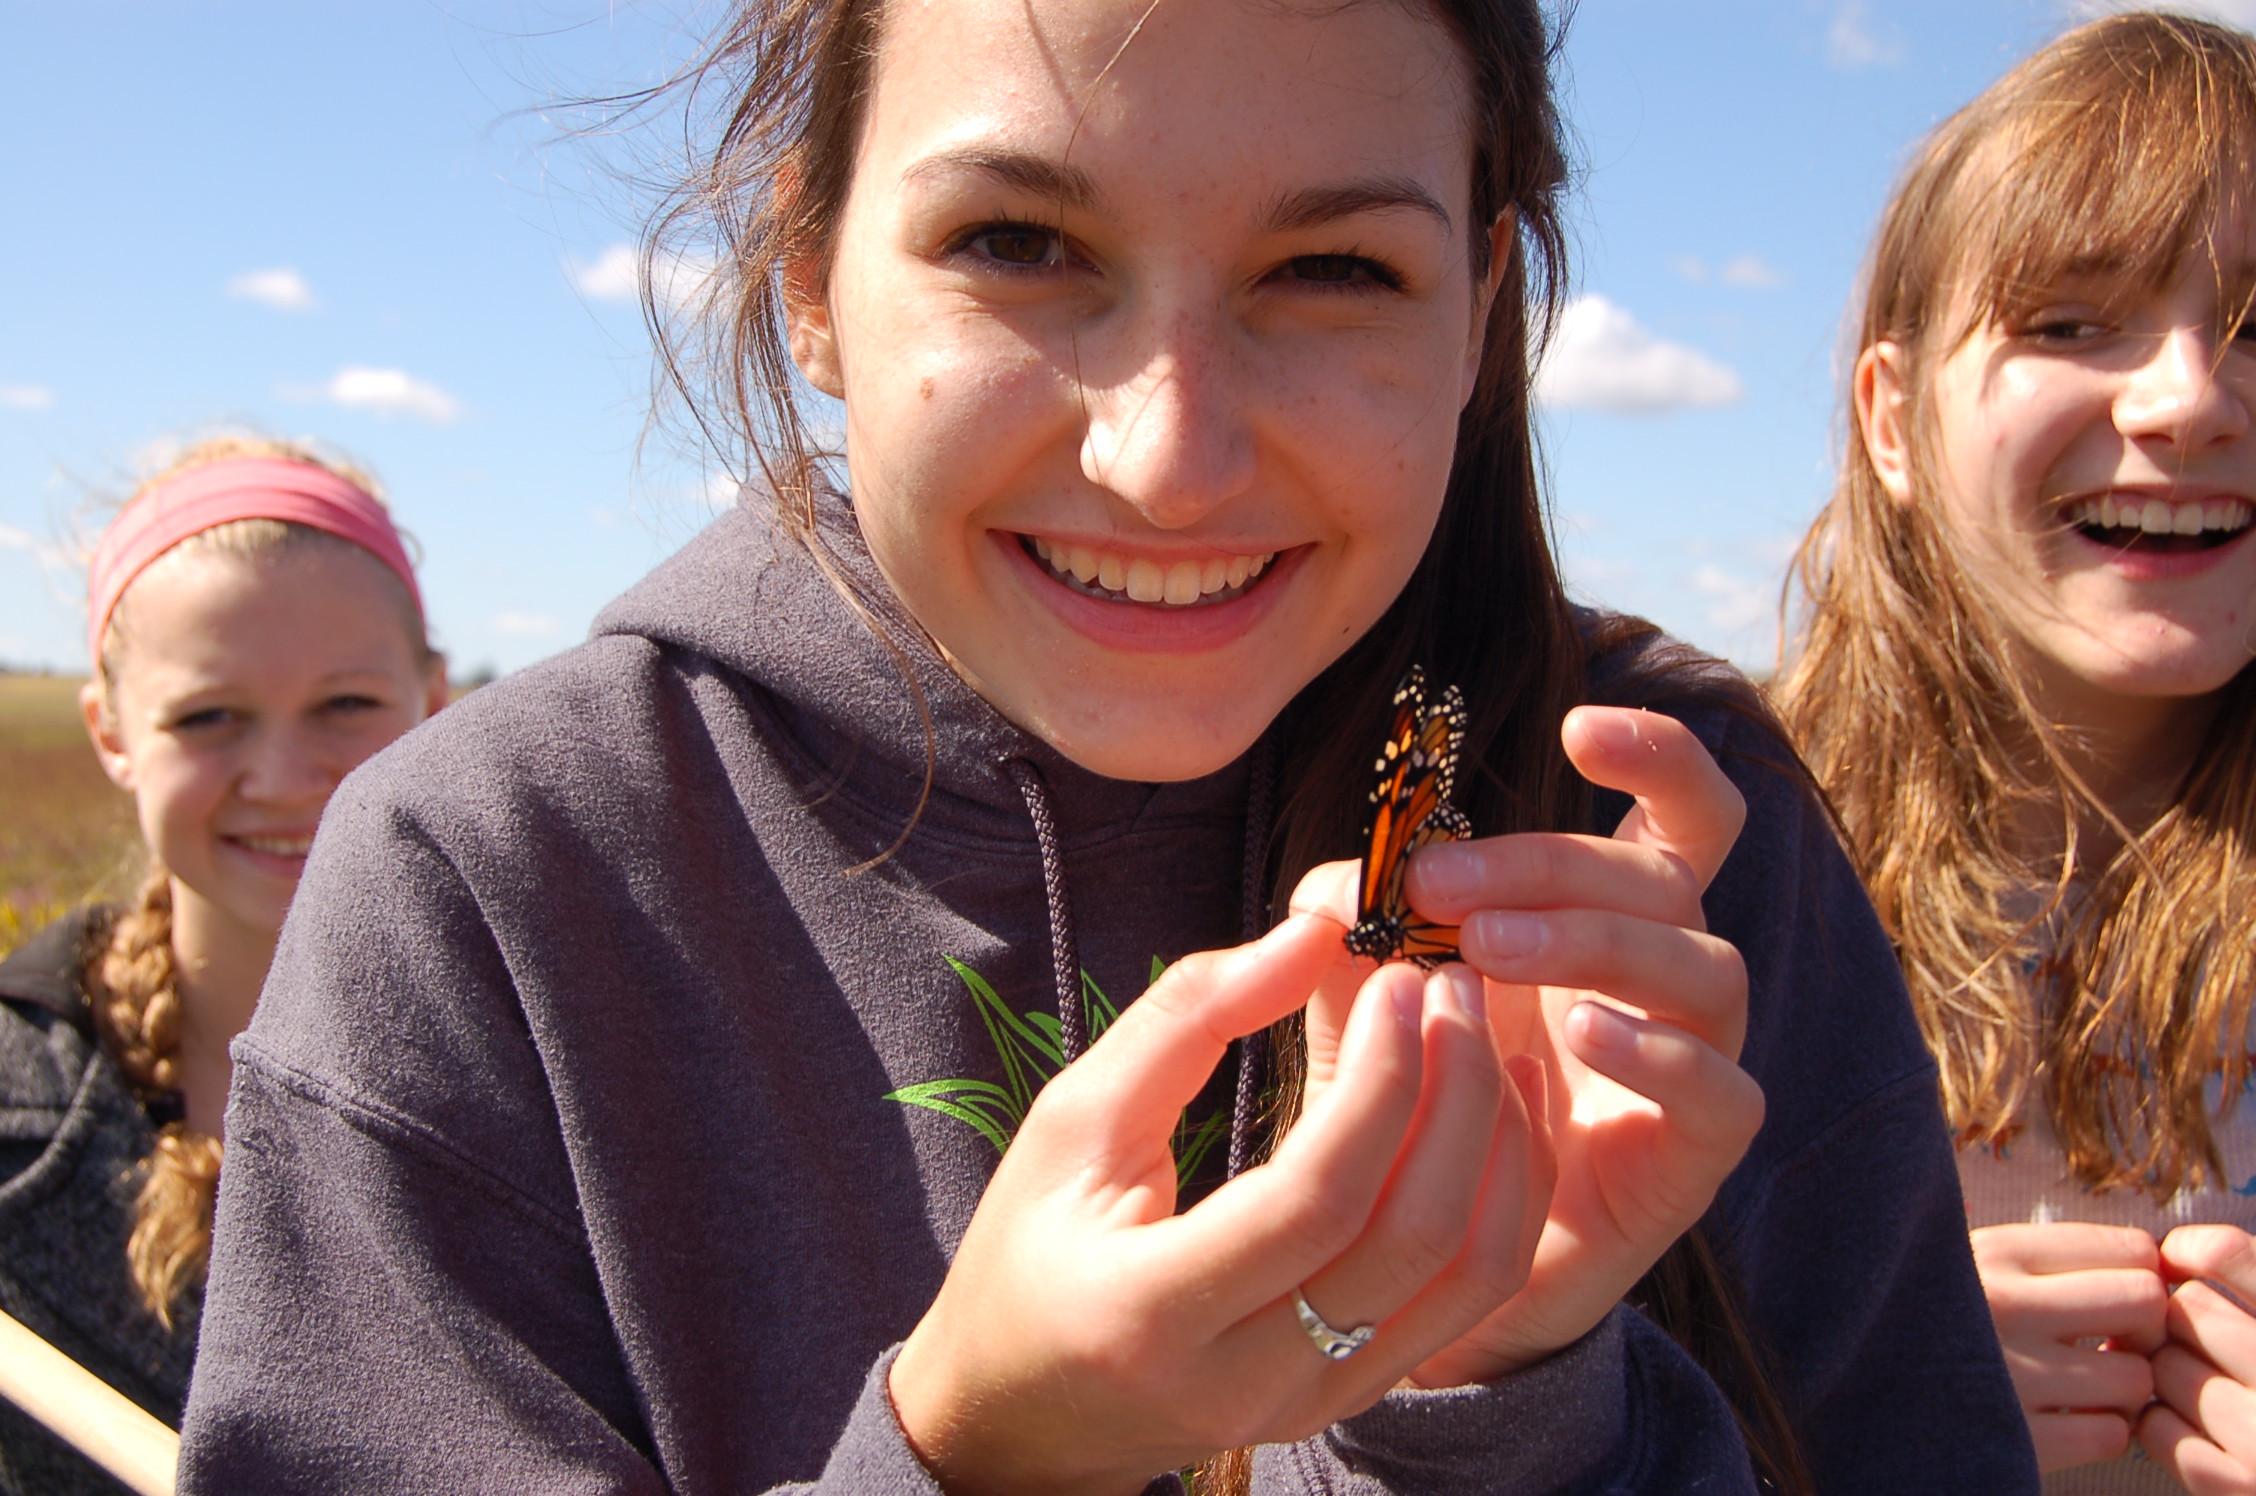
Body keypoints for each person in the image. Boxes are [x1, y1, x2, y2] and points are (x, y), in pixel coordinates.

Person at [177, 2, 2031, 1492]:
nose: (1170, 453)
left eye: (1330, 272)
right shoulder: (488, 881)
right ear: (814, 275)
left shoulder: (1676, 863)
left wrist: (1494, 1400)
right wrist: (973, 1457)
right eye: (1019, 244)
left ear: (1481, 305)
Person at [1775, 13, 2256, 1493]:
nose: (2187, 398)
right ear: (1895, 421)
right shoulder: (1693, 887)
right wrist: (1802, 1402)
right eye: (2068, 321)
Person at [0, 437, 447, 1495]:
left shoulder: (585, 1054)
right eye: (210, 718)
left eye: (345, 704)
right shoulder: (23, 1117)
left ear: (432, 697)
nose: (287, 778)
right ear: (111, 732)